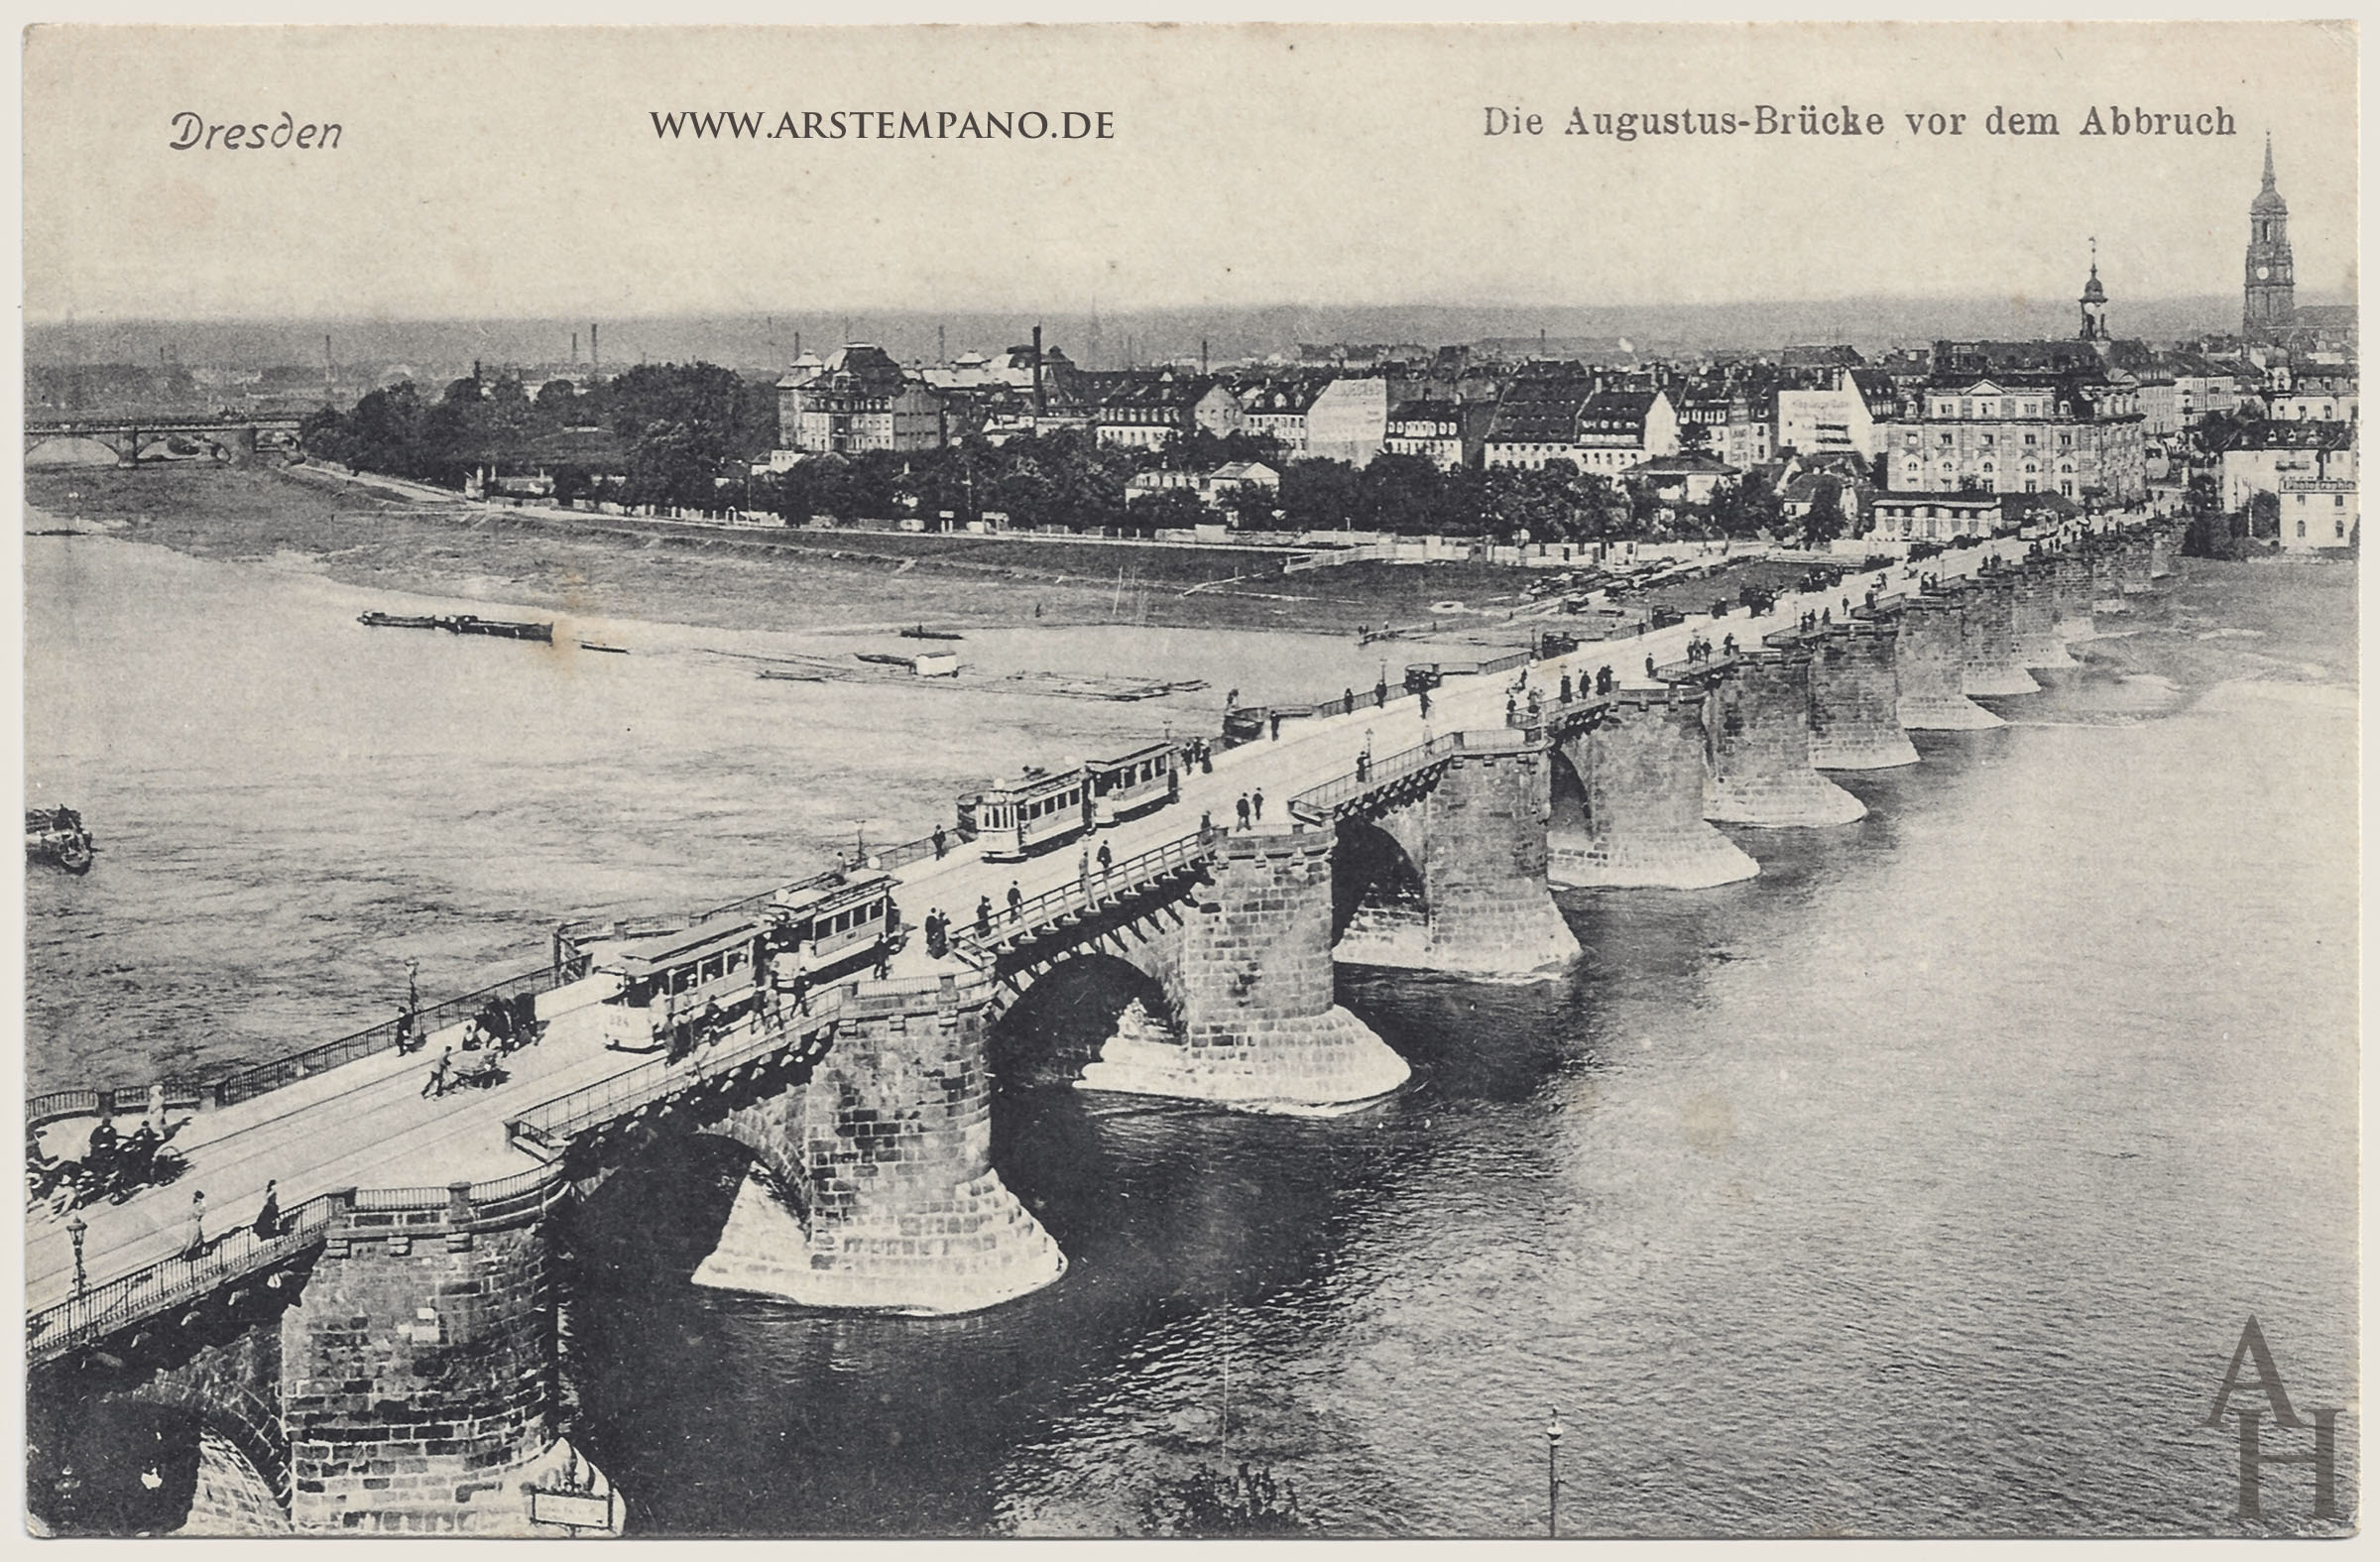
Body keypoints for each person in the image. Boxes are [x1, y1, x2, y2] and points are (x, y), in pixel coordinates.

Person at [182, 1191, 207, 1260]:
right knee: (193, 1239)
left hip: (192, 1223)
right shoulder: (199, 1205)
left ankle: (198, 1251)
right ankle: (186, 1254)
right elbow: (201, 1213)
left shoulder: (195, 1204)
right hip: (194, 1224)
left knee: (197, 1237)